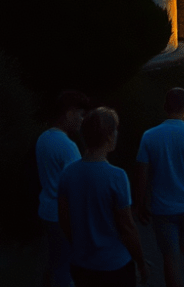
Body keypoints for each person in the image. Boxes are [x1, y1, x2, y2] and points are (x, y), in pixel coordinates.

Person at [58, 107, 150, 287]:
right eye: (115, 129)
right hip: (114, 266)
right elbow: (127, 227)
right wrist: (141, 262)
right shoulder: (116, 176)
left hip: (81, 265)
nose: (117, 133)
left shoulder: (67, 174)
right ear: (108, 136)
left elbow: (64, 219)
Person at [134, 87, 184, 287]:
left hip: (162, 210)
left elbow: (142, 175)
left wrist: (140, 205)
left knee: (170, 261)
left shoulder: (149, 136)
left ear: (165, 106)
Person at [37, 90, 91, 287]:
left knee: (53, 262)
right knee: (65, 268)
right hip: (64, 216)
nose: (81, 120)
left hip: (46, 210)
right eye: (80, 114)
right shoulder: (68, 146)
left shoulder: (44, 138)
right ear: (69, 113)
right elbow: (77, 185)